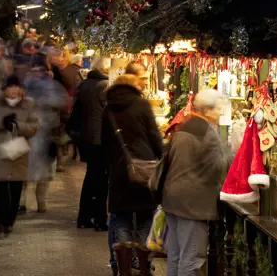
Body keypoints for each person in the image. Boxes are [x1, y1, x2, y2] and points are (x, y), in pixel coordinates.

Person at [102, 74, 163, 276]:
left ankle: (124, 269)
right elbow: (154, 136)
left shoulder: (108, 109)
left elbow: (104, 143)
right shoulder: (142, 105)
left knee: (121, 218)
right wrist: (161, 159)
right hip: (144, 167)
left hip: (120, 170)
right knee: (146, 216)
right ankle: (144, 267)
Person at [162, 89, 226, 276]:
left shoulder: (185, 124)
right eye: (219, 109)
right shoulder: (207, 131)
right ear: (207, 110)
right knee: (191, 259)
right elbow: (217, 167)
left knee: (176, 255)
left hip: (172, 197)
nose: (221, 113)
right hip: (192, 203)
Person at [0, 75, 39, 239]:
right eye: (10, 87)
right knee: (0, 191)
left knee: (16, 191)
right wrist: (1, 123)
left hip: (18, 151)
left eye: (16, 87)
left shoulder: (28, 104)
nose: (13, 90)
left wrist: (19, 125)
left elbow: (34, 127)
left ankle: (10, 220)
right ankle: (0, 225)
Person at [21, 55, 68, 213]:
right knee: (25, 169)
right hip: (28, 133)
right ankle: (23, 201)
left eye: (41, 70)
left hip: (47, 132)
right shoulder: (25, 84)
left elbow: (63, 102)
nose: (39, 73)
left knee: (45, 171)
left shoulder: (52, 85)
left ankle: (41, 202)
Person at [75, 56, 110, 230]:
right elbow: (107, 111)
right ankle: (99, 218)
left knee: (91, 177)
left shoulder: (85, 84)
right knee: (100, 179)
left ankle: (84, 217)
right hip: (99, 138)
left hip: (86, 137)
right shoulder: (103, 86)